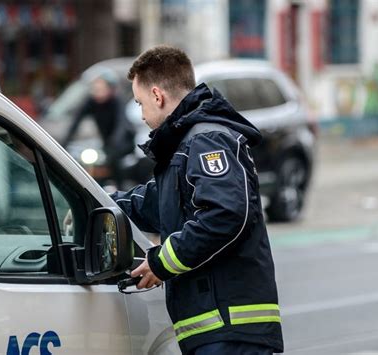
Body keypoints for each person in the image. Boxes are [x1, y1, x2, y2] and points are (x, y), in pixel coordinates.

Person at [111, 45, 284, 354]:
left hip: (229, 330)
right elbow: (157, 203)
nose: (142, 114)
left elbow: (225, 214)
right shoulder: (187, 142)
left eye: (140, 103)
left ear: (157, 95)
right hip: (218, 330)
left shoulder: (205, 140)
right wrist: (102, 203)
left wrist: (161, 262)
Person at [62, 70, 135, 187]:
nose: (97, 92)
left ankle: (121, 189)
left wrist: (115, 142)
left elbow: (121, 124)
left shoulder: (116, 102)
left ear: (110, 90)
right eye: (95, 89)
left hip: (124, 140)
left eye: (101, 89)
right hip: (107, 141)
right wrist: (64, 143)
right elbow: (75, 123)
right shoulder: (91, 102)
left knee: (115, 163)